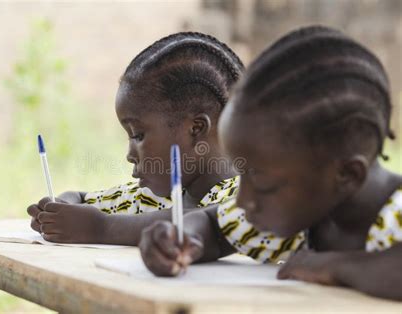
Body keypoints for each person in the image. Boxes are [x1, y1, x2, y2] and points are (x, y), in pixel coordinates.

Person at [139, 26, 402, 301]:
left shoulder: (396, 211)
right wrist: (180, 241)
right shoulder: (306, 214)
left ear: (346, 174)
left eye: (261, 182)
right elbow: (214, 227)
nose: (243, 201)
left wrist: (331, 267)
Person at [27, 32, 244, 245]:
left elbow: (199, 221)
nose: (130, 156)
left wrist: (100, 228)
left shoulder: (247, 197)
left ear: (195, 129)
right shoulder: (152, 198)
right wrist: (61, 208)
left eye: (138, 135)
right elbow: (83, 199)